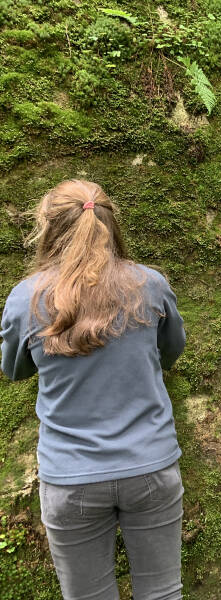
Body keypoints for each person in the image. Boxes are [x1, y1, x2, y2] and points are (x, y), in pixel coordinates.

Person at [0, 180, 186, 600]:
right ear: (110, 222)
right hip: (150, 466)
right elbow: (171, 350)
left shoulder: (26, 298)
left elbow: (14, 369)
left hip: (70, 478)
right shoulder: (150, 284)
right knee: (162, 593)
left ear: (48, 228)